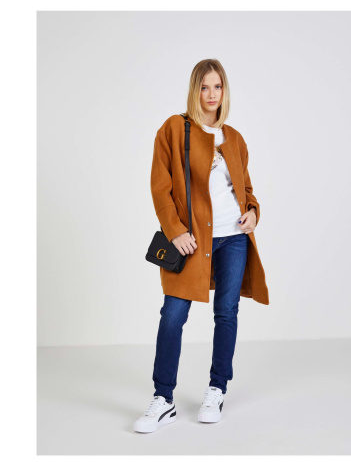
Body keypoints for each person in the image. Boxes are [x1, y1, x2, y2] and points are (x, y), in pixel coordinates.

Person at [133, 59, 266, 433]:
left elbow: (246, 189)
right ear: (195, 90)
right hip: (191, 241)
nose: (211, 94)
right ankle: (163, 398)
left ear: (225, 91)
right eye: (204, 87)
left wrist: (253, 213)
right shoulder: (175, 129)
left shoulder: (234, 139)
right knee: (173, 314)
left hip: (234, 238)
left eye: (217, 86)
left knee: (227, 313)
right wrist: (175, 231)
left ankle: (217, 388)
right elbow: (160, 187)